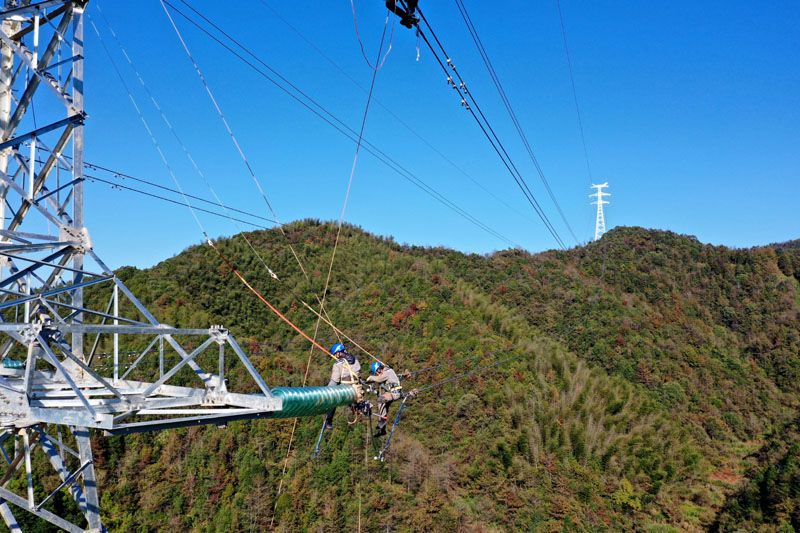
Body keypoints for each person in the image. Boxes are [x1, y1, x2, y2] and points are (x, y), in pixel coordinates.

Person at [323, 343, 361, 429]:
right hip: (355, 388)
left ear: (338, 353)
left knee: (332, 398)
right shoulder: (356, 360)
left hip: (345, 388)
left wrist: (325, 392)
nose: (336, 357)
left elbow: (334, 382)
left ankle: (329, 421)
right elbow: (358, 375)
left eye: (335, 355)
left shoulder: (338, 364)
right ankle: (354, 406)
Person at [366, 361, 403, 438]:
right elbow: (380, 379)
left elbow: (379, 379)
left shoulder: (388, 372)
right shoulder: (386, 372)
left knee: (381, 399)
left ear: (378, 369)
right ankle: (382, 430)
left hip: (395, 393)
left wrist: (371, 378)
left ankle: (383, 420)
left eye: (377, 373)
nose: (377, 374)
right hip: (393, 393)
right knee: (383, 407)